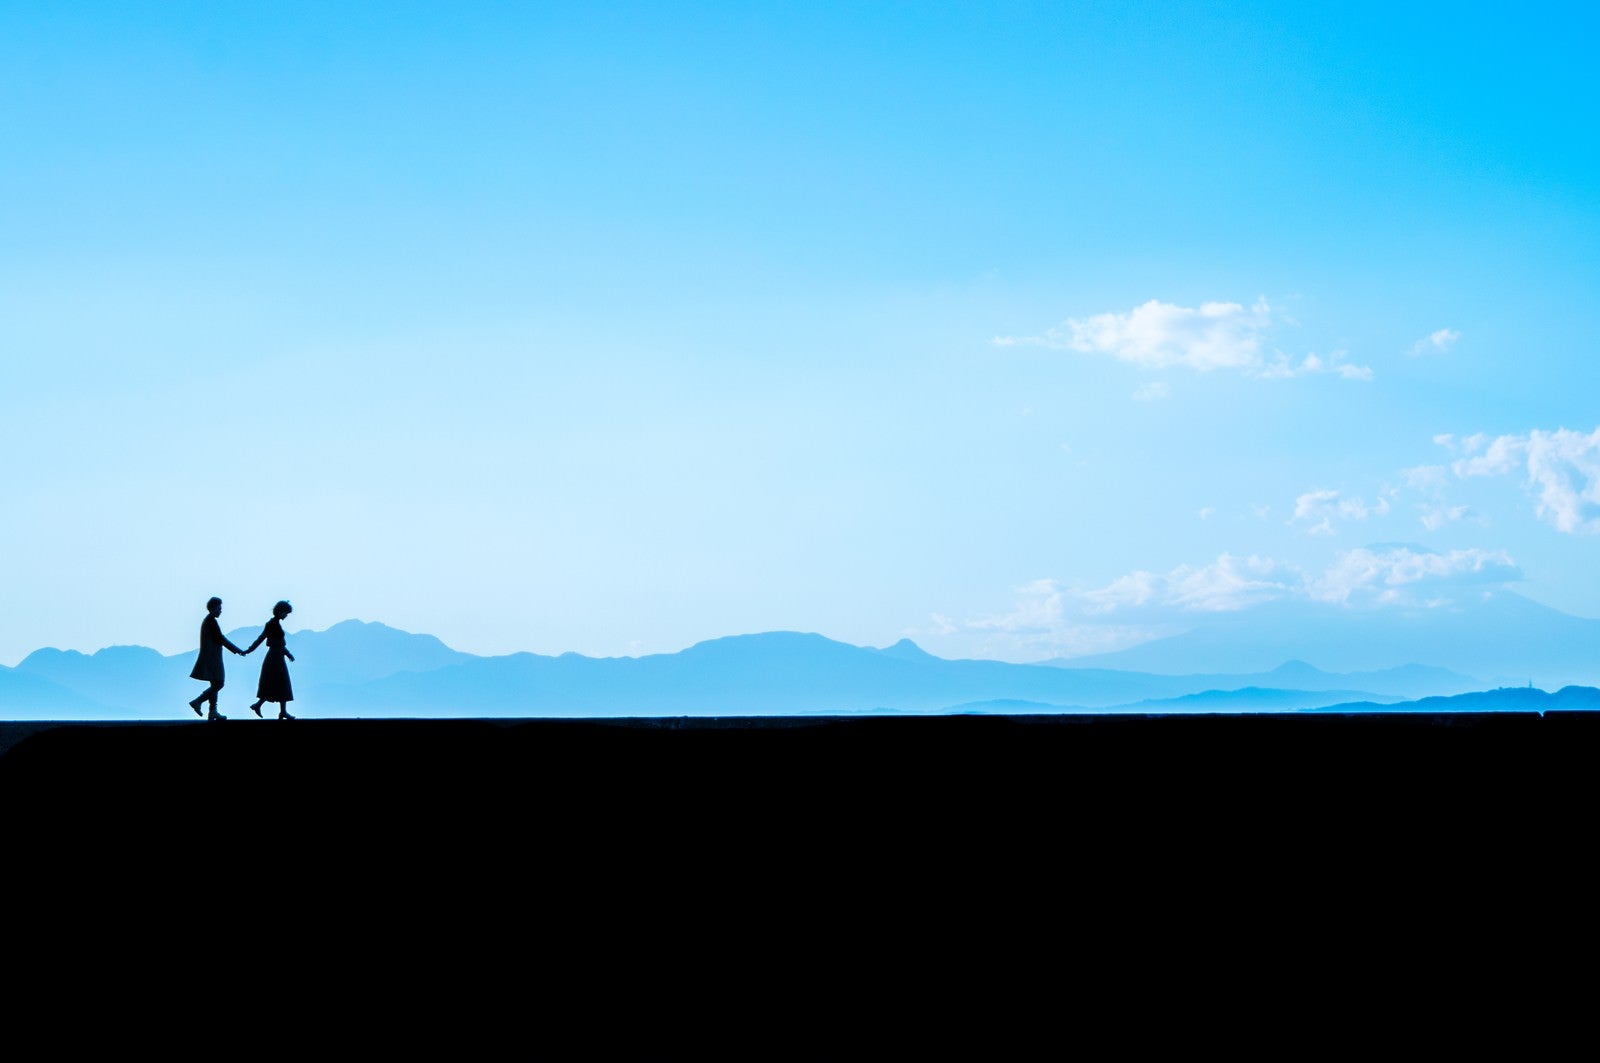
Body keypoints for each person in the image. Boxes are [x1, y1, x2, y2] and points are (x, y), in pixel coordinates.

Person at [188, 596, 245, 721]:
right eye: (219, 608)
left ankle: (212, 711)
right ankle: (198, 701)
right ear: (213, 608)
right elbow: (221, 639)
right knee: (219, 683)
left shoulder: (209, 621)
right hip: (212, 658)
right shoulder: (211, 621)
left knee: (215, 683)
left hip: (212, 657)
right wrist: (237, 650)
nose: (220, 611)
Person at [245, 600, 297, 719]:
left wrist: (287, 654)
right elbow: (263, 639)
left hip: (276, 657)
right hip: (275, 658)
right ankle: (280, 711)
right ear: (280, 611)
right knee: (280, 683)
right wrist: (249, 650)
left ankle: (263, 706)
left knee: (275, 683)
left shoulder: (274, 624)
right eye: (285, 613)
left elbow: (275, 643)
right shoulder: (272, 624)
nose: (286, 615)